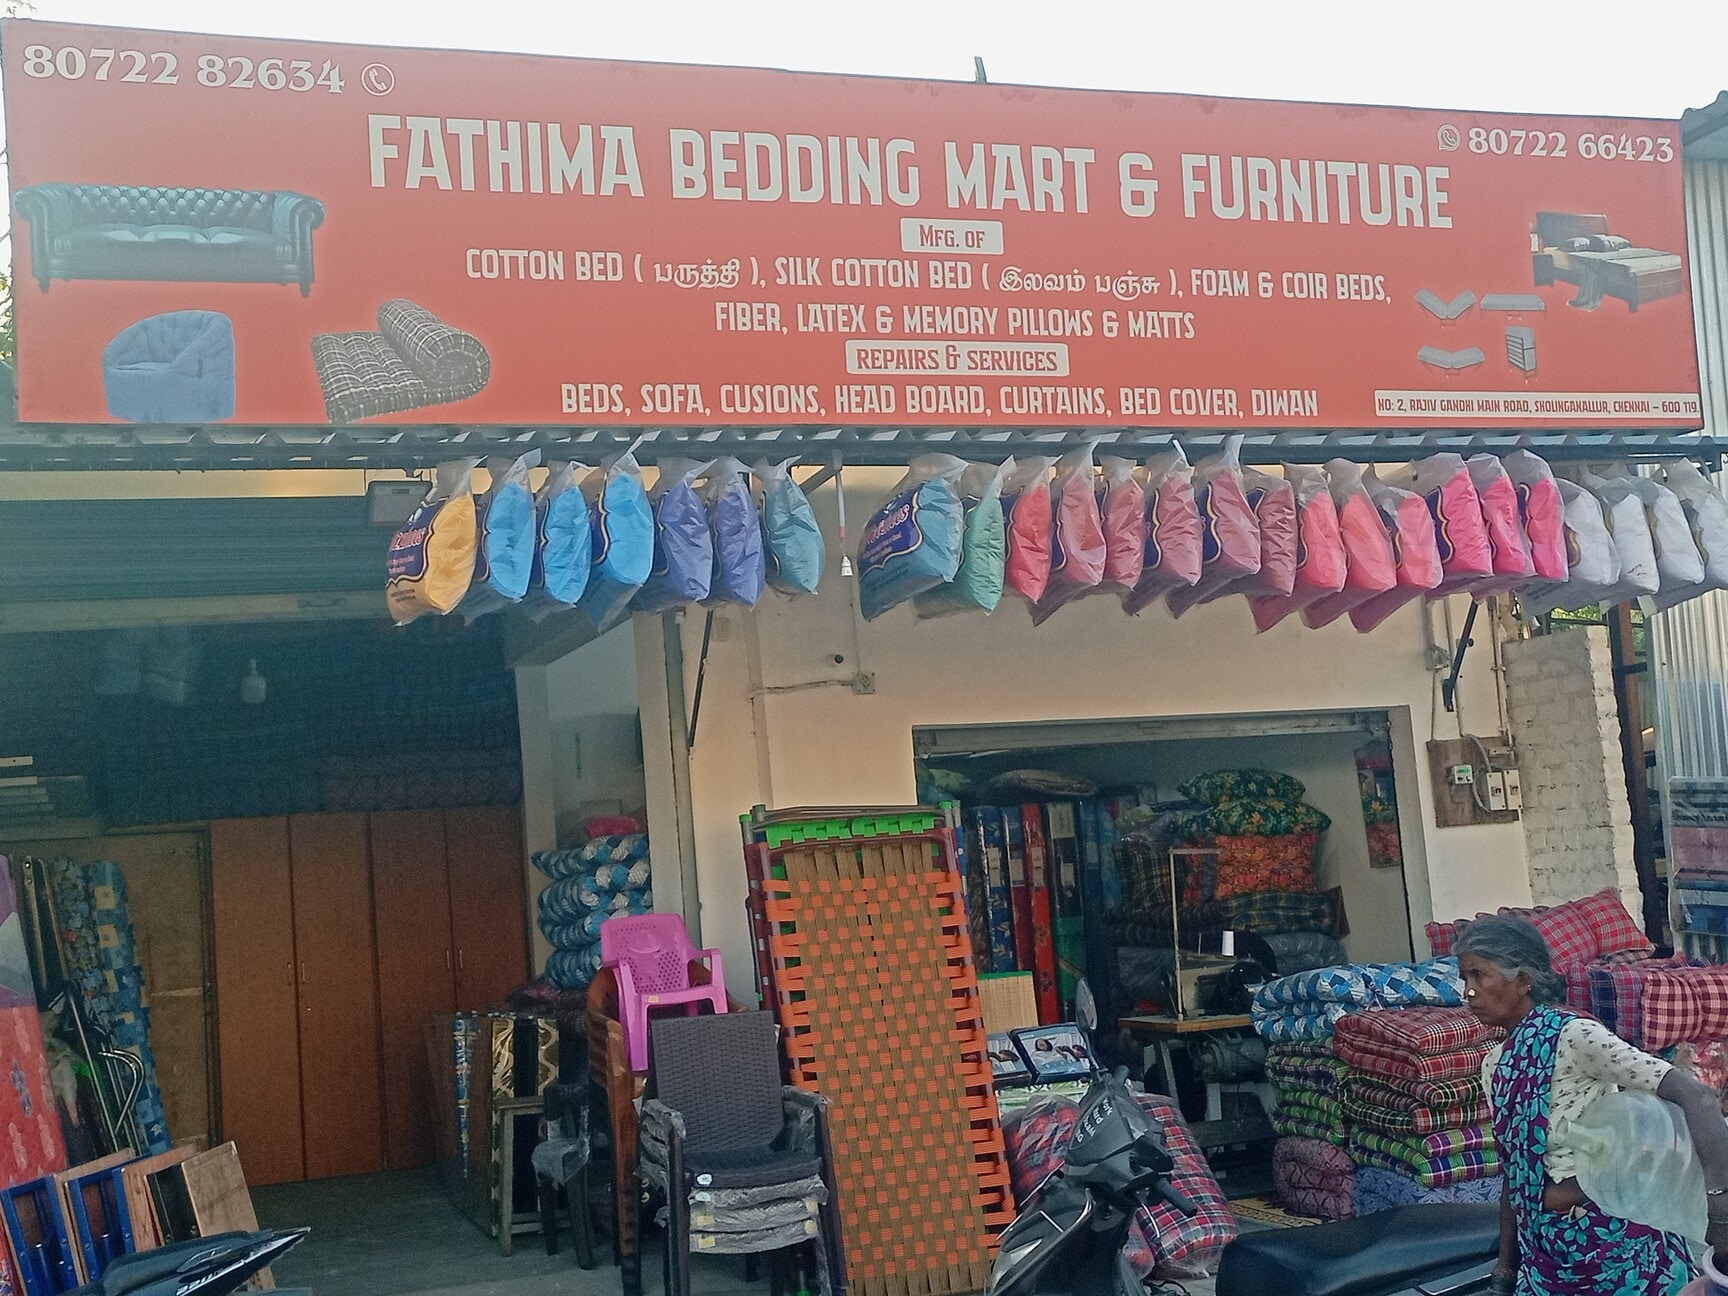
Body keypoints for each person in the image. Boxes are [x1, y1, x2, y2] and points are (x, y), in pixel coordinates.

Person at [1457, 914, 1728, 1296]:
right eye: (1464, 978)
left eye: (1479, 975)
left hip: (1615, 1250)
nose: (1468, 991)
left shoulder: (1573, 1038)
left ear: (1522, 980)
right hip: (1547, 1259)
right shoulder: (1495, 1064)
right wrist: (1505, 1269)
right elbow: (1515, 1171)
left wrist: (1719, 1206)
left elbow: (1694, 1094)